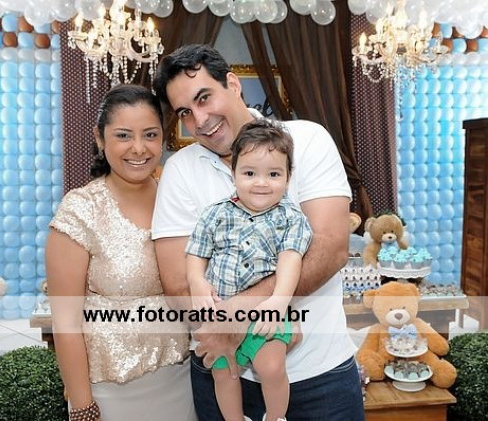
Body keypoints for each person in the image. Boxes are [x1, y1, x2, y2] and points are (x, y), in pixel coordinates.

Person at [152, 44, 365, 420]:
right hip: (222, 369)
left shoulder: (307, 141)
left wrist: (237, 314)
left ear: (233, 85)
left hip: (320, 377)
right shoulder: (181, 169)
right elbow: (178, 283)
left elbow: (330, 248)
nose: (199, 120)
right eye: (185, 112)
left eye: (204, 97)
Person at [46, 84, 196, 421]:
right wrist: (83, 406)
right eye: (124, 136)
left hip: (182, 380)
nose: (139, 148)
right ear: (100, 139)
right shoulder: (80, 210)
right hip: (109, 393)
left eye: (150, 135)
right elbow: (65, 322)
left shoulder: (178, 198)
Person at [186, 120, 312, 421]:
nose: (261, 183)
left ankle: (276, 417)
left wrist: (279, 300)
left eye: (274, 174)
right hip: (221, 314)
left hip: (266, 311)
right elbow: (196, 253)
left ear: (288, 177)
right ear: (234, 174)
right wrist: (197, 282)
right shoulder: (216, 213)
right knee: (223, 373)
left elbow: (290, 260)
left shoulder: (291, 218)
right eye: (250, 173)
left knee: (271, 367)